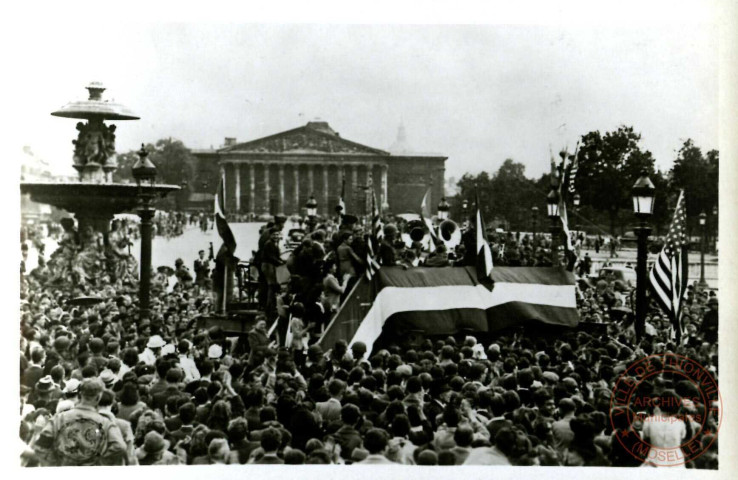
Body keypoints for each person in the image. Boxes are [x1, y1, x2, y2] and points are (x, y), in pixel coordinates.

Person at [31, 378, 127, 466]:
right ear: (98, 398)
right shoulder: (106, 423)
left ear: (80, 395)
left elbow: (40, 446)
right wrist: (99, 461)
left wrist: (54, 463)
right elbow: (120, 446)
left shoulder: (59, 418)